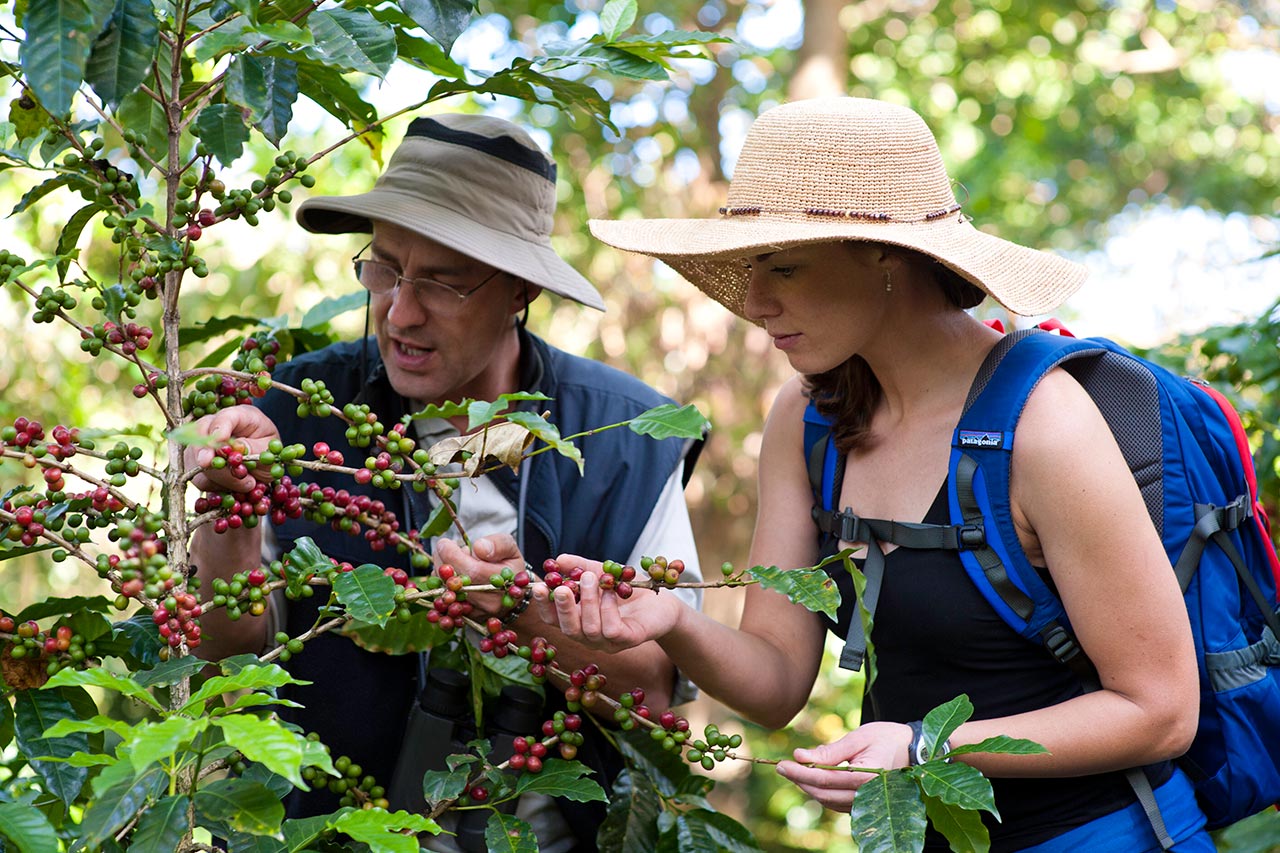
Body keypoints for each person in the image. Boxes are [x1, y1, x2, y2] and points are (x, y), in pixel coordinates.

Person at [533, 97, 1214, 852]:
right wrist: (673, 621)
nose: (755, 303)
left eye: (783, 266)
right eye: (750, 269)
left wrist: (924, 747)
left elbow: (1160, 709)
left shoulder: (1043, 424)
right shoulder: (809, 420)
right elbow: (775, 682)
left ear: (884, 253)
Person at [186, 113, 704, 852]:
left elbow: (652, 697)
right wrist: (227, 516)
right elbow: (229, 661)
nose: (400, 312)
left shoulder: (624, 437)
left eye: (442, 281)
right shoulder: (296, 413)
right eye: (385, 268)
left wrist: (526, 614)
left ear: (520, 288)